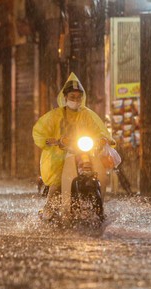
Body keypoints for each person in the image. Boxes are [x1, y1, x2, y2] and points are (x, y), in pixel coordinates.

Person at [32, 73, 114, 220]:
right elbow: (40, 130)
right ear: (65, 97)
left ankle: (101, 205)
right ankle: (49, 209)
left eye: (78, 97)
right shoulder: (56, 115)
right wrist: (51, 140)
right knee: (56, 183)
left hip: (84, 152)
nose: (75, 100)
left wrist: (104, 138)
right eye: (72, 97)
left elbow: (99, 128)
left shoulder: (87, 114)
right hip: (60, 154)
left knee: (100, 172)